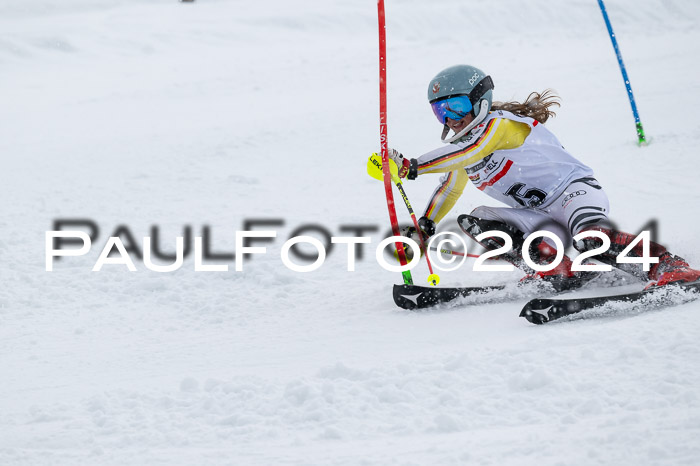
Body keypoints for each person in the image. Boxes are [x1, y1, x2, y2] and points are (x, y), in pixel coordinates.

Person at [389, 64, 699, 290]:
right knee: (478, 219)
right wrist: (425, 226)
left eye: (456, 107)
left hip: (573, 194)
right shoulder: (461, 149)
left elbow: (470, 153)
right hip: (539, 215)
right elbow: (450, 189)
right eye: (440, 112)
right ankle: (557, 270)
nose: (450, 119)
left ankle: (669, 265)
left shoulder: (500, 127)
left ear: (479, 100)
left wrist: (411, 166)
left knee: (591, 240)